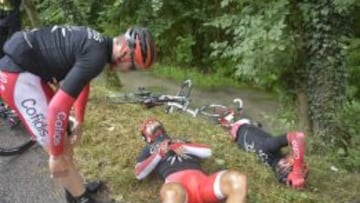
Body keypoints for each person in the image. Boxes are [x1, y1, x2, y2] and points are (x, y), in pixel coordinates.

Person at [0, 25, 156, 203]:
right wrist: (56, 156)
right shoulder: (96, 56)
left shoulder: (97, 45)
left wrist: (79, 122)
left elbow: (83, 82)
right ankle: (82, 198)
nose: (128, 72)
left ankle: (74, 192)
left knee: (64, 141)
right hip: (18, 78)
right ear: (125, 53)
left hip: (28, 71)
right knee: (56, 151)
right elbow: (57, 109)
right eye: (133, 67)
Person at [135, 118, 247, 203]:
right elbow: (139, 174)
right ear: (147, 138)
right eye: (147, 125)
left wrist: (178, 144)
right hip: (178, 188)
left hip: (203, 183)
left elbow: (208, 152)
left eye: (153, 122)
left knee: (238, 179)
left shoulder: (181, 140)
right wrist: (159, 153)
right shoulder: (148, 149)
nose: (151, 123)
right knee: (171, 193)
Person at [226, 118, 308, 189]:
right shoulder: (269, 167)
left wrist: (297, 170)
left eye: (293, 160)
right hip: (236, 136)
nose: (293, 156)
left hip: (240, 126)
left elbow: (297, 136)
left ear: (286, 164)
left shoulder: (270, 148)